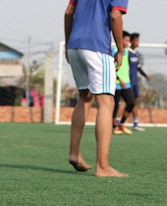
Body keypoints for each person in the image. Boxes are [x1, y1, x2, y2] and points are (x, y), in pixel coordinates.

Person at [64, 0, 128, 177]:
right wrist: (120, 50)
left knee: (85, 97)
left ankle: (74, 153)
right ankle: (103, 166)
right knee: (106, 103)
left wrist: (67, 44)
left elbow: (69, 12)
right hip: (97, 48)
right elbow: (115, 15)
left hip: (75, 45)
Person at [112, 31, 135, 135]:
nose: (128, 43)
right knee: (115, 106)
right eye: (126, 40)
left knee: (131, 103)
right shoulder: (113, 51)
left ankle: (121, 123)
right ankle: (113, 127)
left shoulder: (127, 53)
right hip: (116, 83)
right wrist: (119, 79)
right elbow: (110, 68)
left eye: (129, 41)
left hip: (126, 84)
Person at [128, 32, 151, 131]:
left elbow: (138, 67)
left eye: (138, 40)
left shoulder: (136, 53)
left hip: (135, 81)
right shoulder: (126, 52)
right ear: (131, 41)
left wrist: (145, 75)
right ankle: (117, 122)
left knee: (135, 102)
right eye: (136, 40)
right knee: (127, 102)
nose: (138, 42)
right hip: (127, 81)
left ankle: (135, 123)